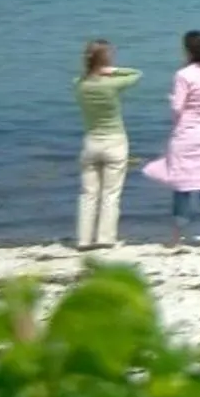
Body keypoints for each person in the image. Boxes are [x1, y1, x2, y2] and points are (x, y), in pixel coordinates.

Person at [143, 30, 200, 246]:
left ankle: (176, 237)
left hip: (186, 136)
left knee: (182, 186)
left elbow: (177, 108)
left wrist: (173, 99)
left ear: (189, 51)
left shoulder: (184, 75)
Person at [73, 40, 141, 250]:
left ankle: (84, 239)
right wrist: (113, 71)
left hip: (91, 143)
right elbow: (136, 74)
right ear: (106, 60)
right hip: (115, 142)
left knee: (88, 194)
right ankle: (105, 238)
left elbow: (83, 77)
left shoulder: (79, 84)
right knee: (111, 193)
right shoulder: (111, 84)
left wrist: (98, 70)